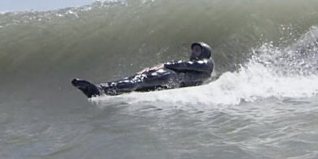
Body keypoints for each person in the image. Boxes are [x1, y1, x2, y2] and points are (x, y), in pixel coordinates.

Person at [71, 42, 214, 98]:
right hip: (171, 81)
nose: (193, 52)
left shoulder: (207, 63)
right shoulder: (202, 73)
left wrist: (163, 65)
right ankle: (102, 91)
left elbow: (185, 65)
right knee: (136, 83)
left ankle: (100, 89)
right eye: (193, 50)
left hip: (169, 75)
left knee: (138, 80)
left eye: (197, 50)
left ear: (205, 53)